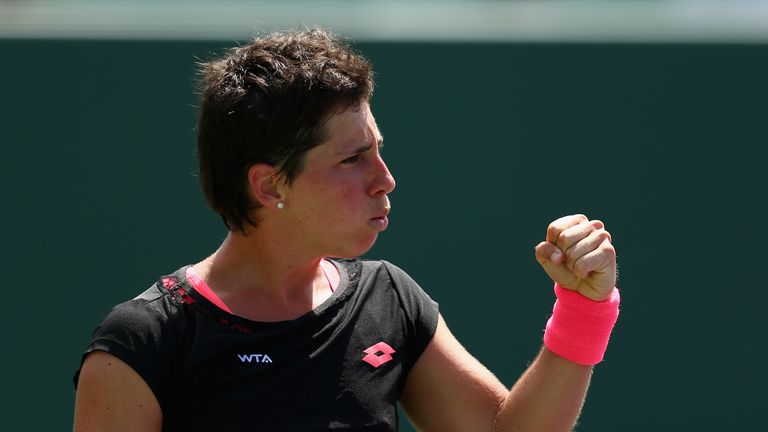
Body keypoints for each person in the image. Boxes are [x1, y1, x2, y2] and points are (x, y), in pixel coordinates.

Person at [73, 28, 620, 431]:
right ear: (269, 187)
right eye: (352, 159)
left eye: (378, 150)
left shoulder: (389, 300)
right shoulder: (143, 343)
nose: (386, 179)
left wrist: (583, 308)